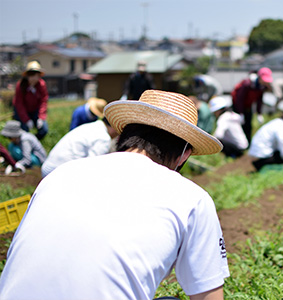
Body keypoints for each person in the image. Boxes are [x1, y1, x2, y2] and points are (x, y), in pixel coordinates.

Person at [0, 90, 229, 300]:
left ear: (122, 135)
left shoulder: (58, 176)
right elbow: (208, 296)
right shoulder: (192, 198)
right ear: (184, 155)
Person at [41, 118, 119, 178]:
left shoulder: (92, 126)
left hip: (48, 168)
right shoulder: (104, 138)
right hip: (59, 174)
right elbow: (93, 167)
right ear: (114, 127)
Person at [231, 67, 273, 142]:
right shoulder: (247, 84)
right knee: (238, 127)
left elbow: (259, 100)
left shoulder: (262, 87)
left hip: (248, 107)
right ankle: (238, 144)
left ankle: (248, 143)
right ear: (259, 77)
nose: (265, 82)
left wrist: (259, 113)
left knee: (248, 125)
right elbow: (240, 98)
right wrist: (240, 113)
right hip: (238, 107)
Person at [12, 61, 49, 140]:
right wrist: (26, 120)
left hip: (35, 110)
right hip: (22, 111)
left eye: (36, 76)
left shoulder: (41, 85)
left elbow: (43, 101)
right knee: (24, 131)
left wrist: (41, 117)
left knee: (44, 129)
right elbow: (19, 104)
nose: (34, 78)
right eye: (32, 75)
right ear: (27, 76)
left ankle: (34, 142)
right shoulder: (21, 85)